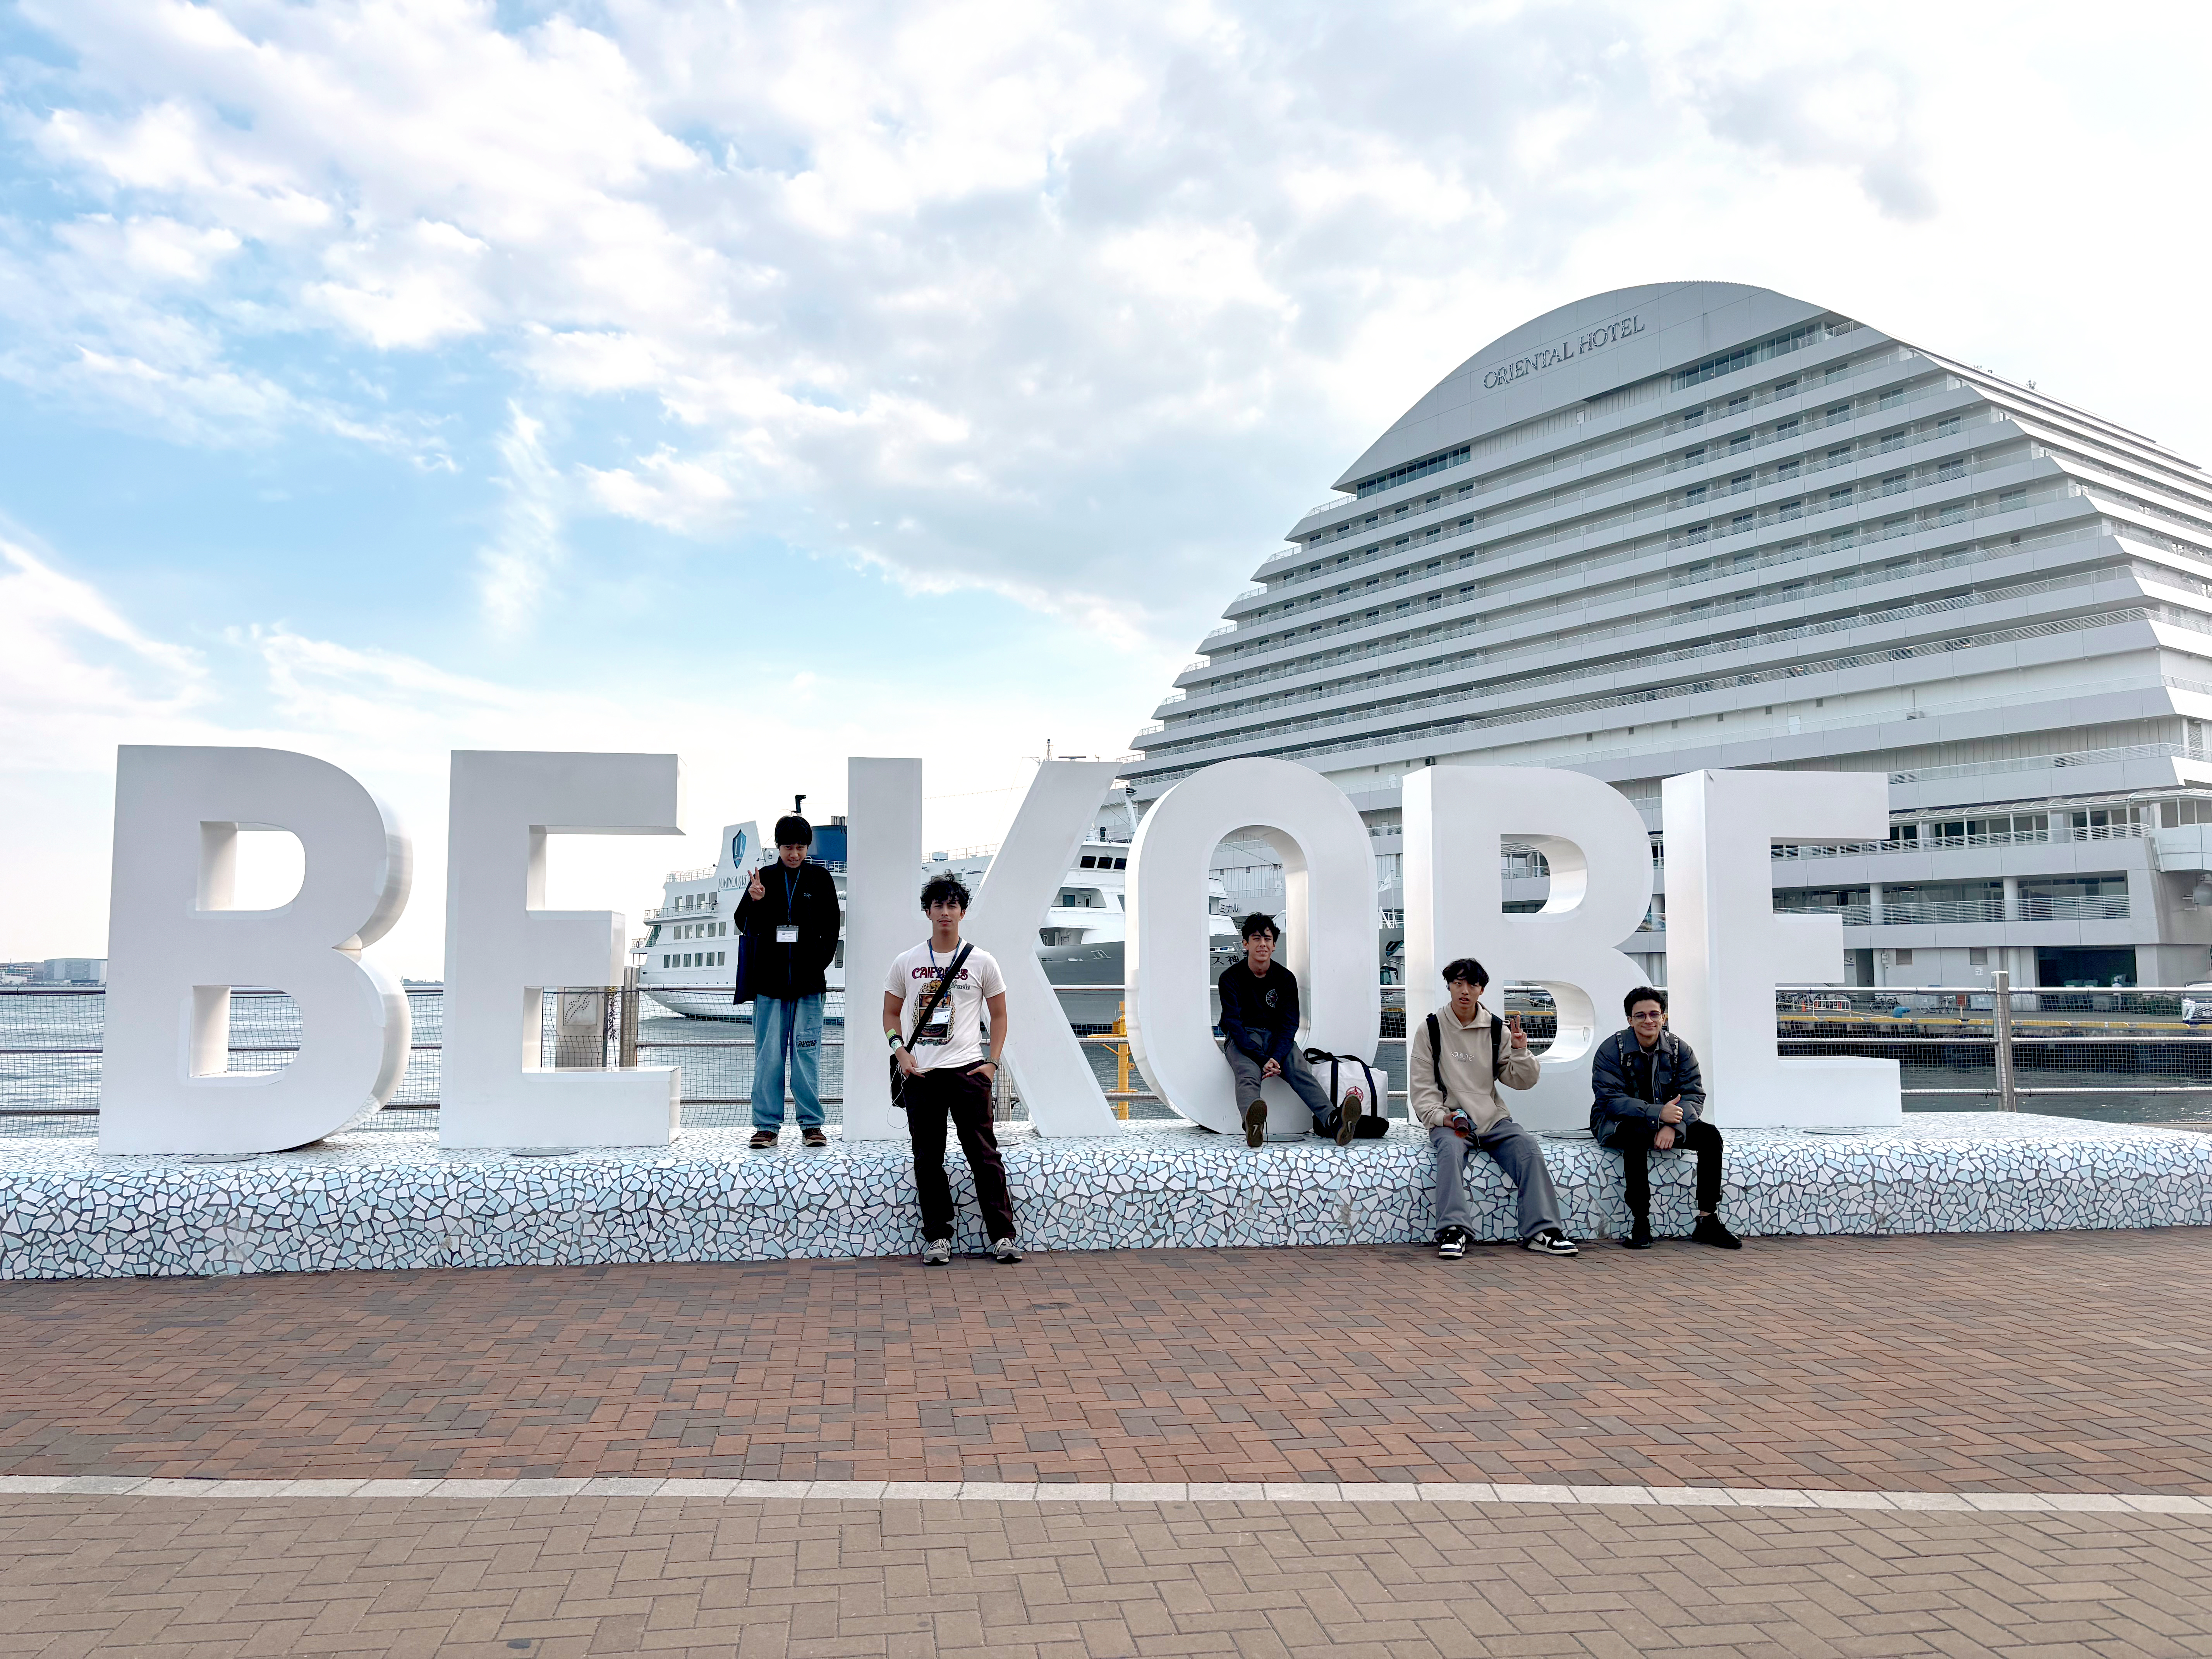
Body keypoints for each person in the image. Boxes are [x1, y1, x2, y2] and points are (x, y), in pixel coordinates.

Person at [882, 874, 1020, 1265]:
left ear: (963, 912)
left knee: (985, 1155)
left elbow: (1000, 1016)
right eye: (938, 905)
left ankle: (1003, 1237)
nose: (945, 912)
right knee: (928, 1158)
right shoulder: (906, 962)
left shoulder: (982, 961)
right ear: (928, 912)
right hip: (922, 1075)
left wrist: (992, 1062)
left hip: (968, 1072)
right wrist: (900, 1053)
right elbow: (890, 1014)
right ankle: (938, 1237)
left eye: (952, 905)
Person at [1408, 958, 1578, 1259]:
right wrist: (1440, 1118)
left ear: (1482, 990)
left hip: (1492, 1119)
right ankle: (1453, 1230)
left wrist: (1520, 1050)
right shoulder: (1431, 1029)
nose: (1465, 991)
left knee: (1528, 1148)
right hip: (1452, 1121)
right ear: (1448, 986)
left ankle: (1543, 1230)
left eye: (1472, 985)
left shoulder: (1496, 1029)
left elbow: (1521, 1081)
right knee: (1449, 1152)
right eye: (1458, 983)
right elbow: (1422, 1089)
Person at [1590, 986, 1741, 1250]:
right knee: (1635, 1137)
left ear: (1663, 1017)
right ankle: (1641, 1221)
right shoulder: (1610, 1050)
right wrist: (1658, 1114)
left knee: (1710, 1136)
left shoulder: (1679, 1049)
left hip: (1672, 1121)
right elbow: (1610, 1101)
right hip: (1619, 1122)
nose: (1648, 1021)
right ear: (1629, 1020)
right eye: (1640, 1016)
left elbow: (1694, 1095)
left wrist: (1673, 1125)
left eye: (1654, 1014)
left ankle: (1707, 1220)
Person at [737, 809, 842, 1149]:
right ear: (778, 847)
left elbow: (832, 928)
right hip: (769, 985)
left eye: (799, 847)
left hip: (809, 986)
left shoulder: (821, 879)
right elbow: (743, 924)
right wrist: (755, 902)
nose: (794, 854)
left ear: (807, 847)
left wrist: (818, 965)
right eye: (787, 847)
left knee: (806, 1054)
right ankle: (766, 1126)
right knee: (768, 1056)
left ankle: (812, 1125)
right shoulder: (763, 878)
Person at [1216, 913, 1362, 1149]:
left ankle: (1334, 1122)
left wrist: (1275, 1055)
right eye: (1256, 939)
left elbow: (1289, 1023)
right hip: (1243, 1038)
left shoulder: (1285, 979)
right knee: (1247, 1073)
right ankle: (1253, 1126)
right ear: (1245, 944)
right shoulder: (1230, 978)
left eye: (1267, 939)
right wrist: (1263, 1059)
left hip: (1277, 1039)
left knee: (1299, 1070)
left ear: (1274, 945)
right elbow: (1233, 1024)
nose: (1262, 944)